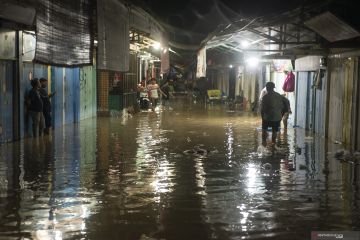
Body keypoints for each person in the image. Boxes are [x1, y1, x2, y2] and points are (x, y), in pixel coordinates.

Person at [260, 82, 284, 147]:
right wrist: (280, 116)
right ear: (273, 88)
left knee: (264, 130)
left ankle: (264, 144)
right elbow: (282, 107)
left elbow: (263, 109)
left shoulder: (265, 97)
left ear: (267, 88)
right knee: (274, 131)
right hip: (277, 117)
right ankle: (273, 144)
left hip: (267, 117)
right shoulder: (279, 96)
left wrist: (262, 117)